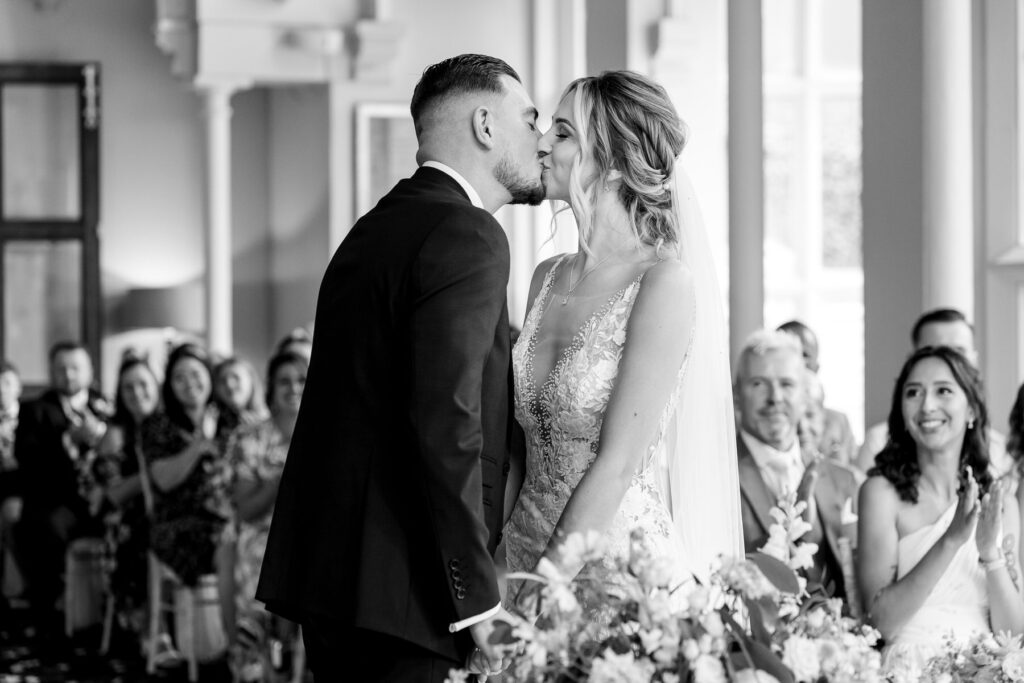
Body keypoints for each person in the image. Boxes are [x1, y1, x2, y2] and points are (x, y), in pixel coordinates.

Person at [256, 54, 544, 682]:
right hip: (410, 593)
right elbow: (446, 421)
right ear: (486, 125)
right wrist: (477, 600)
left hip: (336, 583)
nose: (541, 138)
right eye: (531, 119)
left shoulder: (372, 230)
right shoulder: (469, 234)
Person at [501, 70, 742, 604]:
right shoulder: (545, 275)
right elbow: (521, 448)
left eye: (563, 133)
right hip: (521, 550)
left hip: (617, 572)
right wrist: (500, 562)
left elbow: (616, 463)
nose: (542, 142)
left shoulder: (662, 283)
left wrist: (546, 589)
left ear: (610, 163)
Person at [858, 346, 1024, 678]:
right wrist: (951, 540)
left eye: (943, 391)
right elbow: (881, 625)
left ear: (972, 409)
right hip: (910, 668)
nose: (927, 405)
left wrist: (990, 553)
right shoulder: (880, 494)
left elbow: (1015, 635)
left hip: (987, 668)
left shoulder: (1001, 500)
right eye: (913, 392)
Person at [734, 330, 859, 602]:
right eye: (758, 384)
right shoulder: (717, 475)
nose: (775, 397)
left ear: (804, 395)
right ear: (736, 394)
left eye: (787, 384)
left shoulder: (844, 481)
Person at [13, 341, 112, 624]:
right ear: (52, 372)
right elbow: (28, 460)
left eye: (75, 368)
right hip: (60, 500)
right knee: (44, 524)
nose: (69, 375)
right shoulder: (36, 410)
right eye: (61, 369)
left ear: (90, 370)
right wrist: (68, 440)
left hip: (106, 497)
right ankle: (55, 604)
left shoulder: (105, 405)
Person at [228, 351, 307, 683]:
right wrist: (281, 480)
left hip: (316, 535)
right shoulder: (249, 439)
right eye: (284, 381)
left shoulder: (331, 433)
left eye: (301, 380)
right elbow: (245, 508)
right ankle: (259, 654)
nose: (293, 388)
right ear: (270, 387)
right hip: (264, 532)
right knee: (265, 557)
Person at [857, 308, 1010, 474]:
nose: (944, 362)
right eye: (932, 351)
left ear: (974, 360)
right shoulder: (877, 444)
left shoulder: (1003, 452)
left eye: (958, 352)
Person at [93, 351, 162, 633]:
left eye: (144, 384)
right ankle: (146, 624)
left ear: (157, 387)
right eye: (128, 387)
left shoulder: (168, 427)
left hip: (167, 510)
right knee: (140, 531)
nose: (137, 393)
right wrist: (154, 474)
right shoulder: (116, 434)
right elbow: (114, 495)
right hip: (125, 517)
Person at [778, 320, 857, 467]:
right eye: (788, 353)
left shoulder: (838, 422)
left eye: (804, 354)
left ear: (816, 366)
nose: (796, 362)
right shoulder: (760, 419)